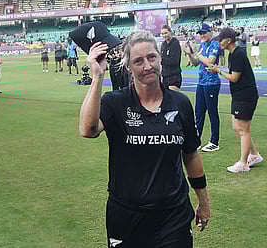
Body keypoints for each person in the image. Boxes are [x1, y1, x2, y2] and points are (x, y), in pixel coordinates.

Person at [79, 29, 211, 248]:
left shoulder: (180, 103)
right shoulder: (115, 103)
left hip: (173, 215)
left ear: (160, 58)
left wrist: (204, 202)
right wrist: (97, 77)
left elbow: (191, 155)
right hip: (127, 215)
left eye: (151, 57)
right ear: (129, 67)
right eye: (138, 61)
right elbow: (88, 129)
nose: (147, 65)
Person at [210, 27, 263, 173]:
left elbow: (234, 78)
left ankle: (243, 163)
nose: (219, 42)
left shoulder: (238, 54)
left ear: (228, 40)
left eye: (221, 39)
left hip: (245, 96)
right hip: (239, 95)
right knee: (238, 127)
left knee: (243, 129)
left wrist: (218, 71)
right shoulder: (233, 54)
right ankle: (254, 155)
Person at [183, 23, 221, 152]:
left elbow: (209, 62)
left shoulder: (214, 45)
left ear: (210, 32)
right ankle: (196, 139)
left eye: (204, 33)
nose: (202, 35)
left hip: (211, 83)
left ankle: (214, 141)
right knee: (199, 112)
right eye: (200, 33)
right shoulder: (203, 45)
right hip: (202, 82)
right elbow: (195, 63)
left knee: (212, 112)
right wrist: (189, 54)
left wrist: (195, 52)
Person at [161, 25, 182, 91]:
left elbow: (174, 61)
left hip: (174, 76)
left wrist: (161, 60)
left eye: (166, 33)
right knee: (166, 100)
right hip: (165, 77)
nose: (164, 35)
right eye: (162, 34)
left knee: (173, 99)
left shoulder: (175, 44)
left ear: (170, 32)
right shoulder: (163, 44)